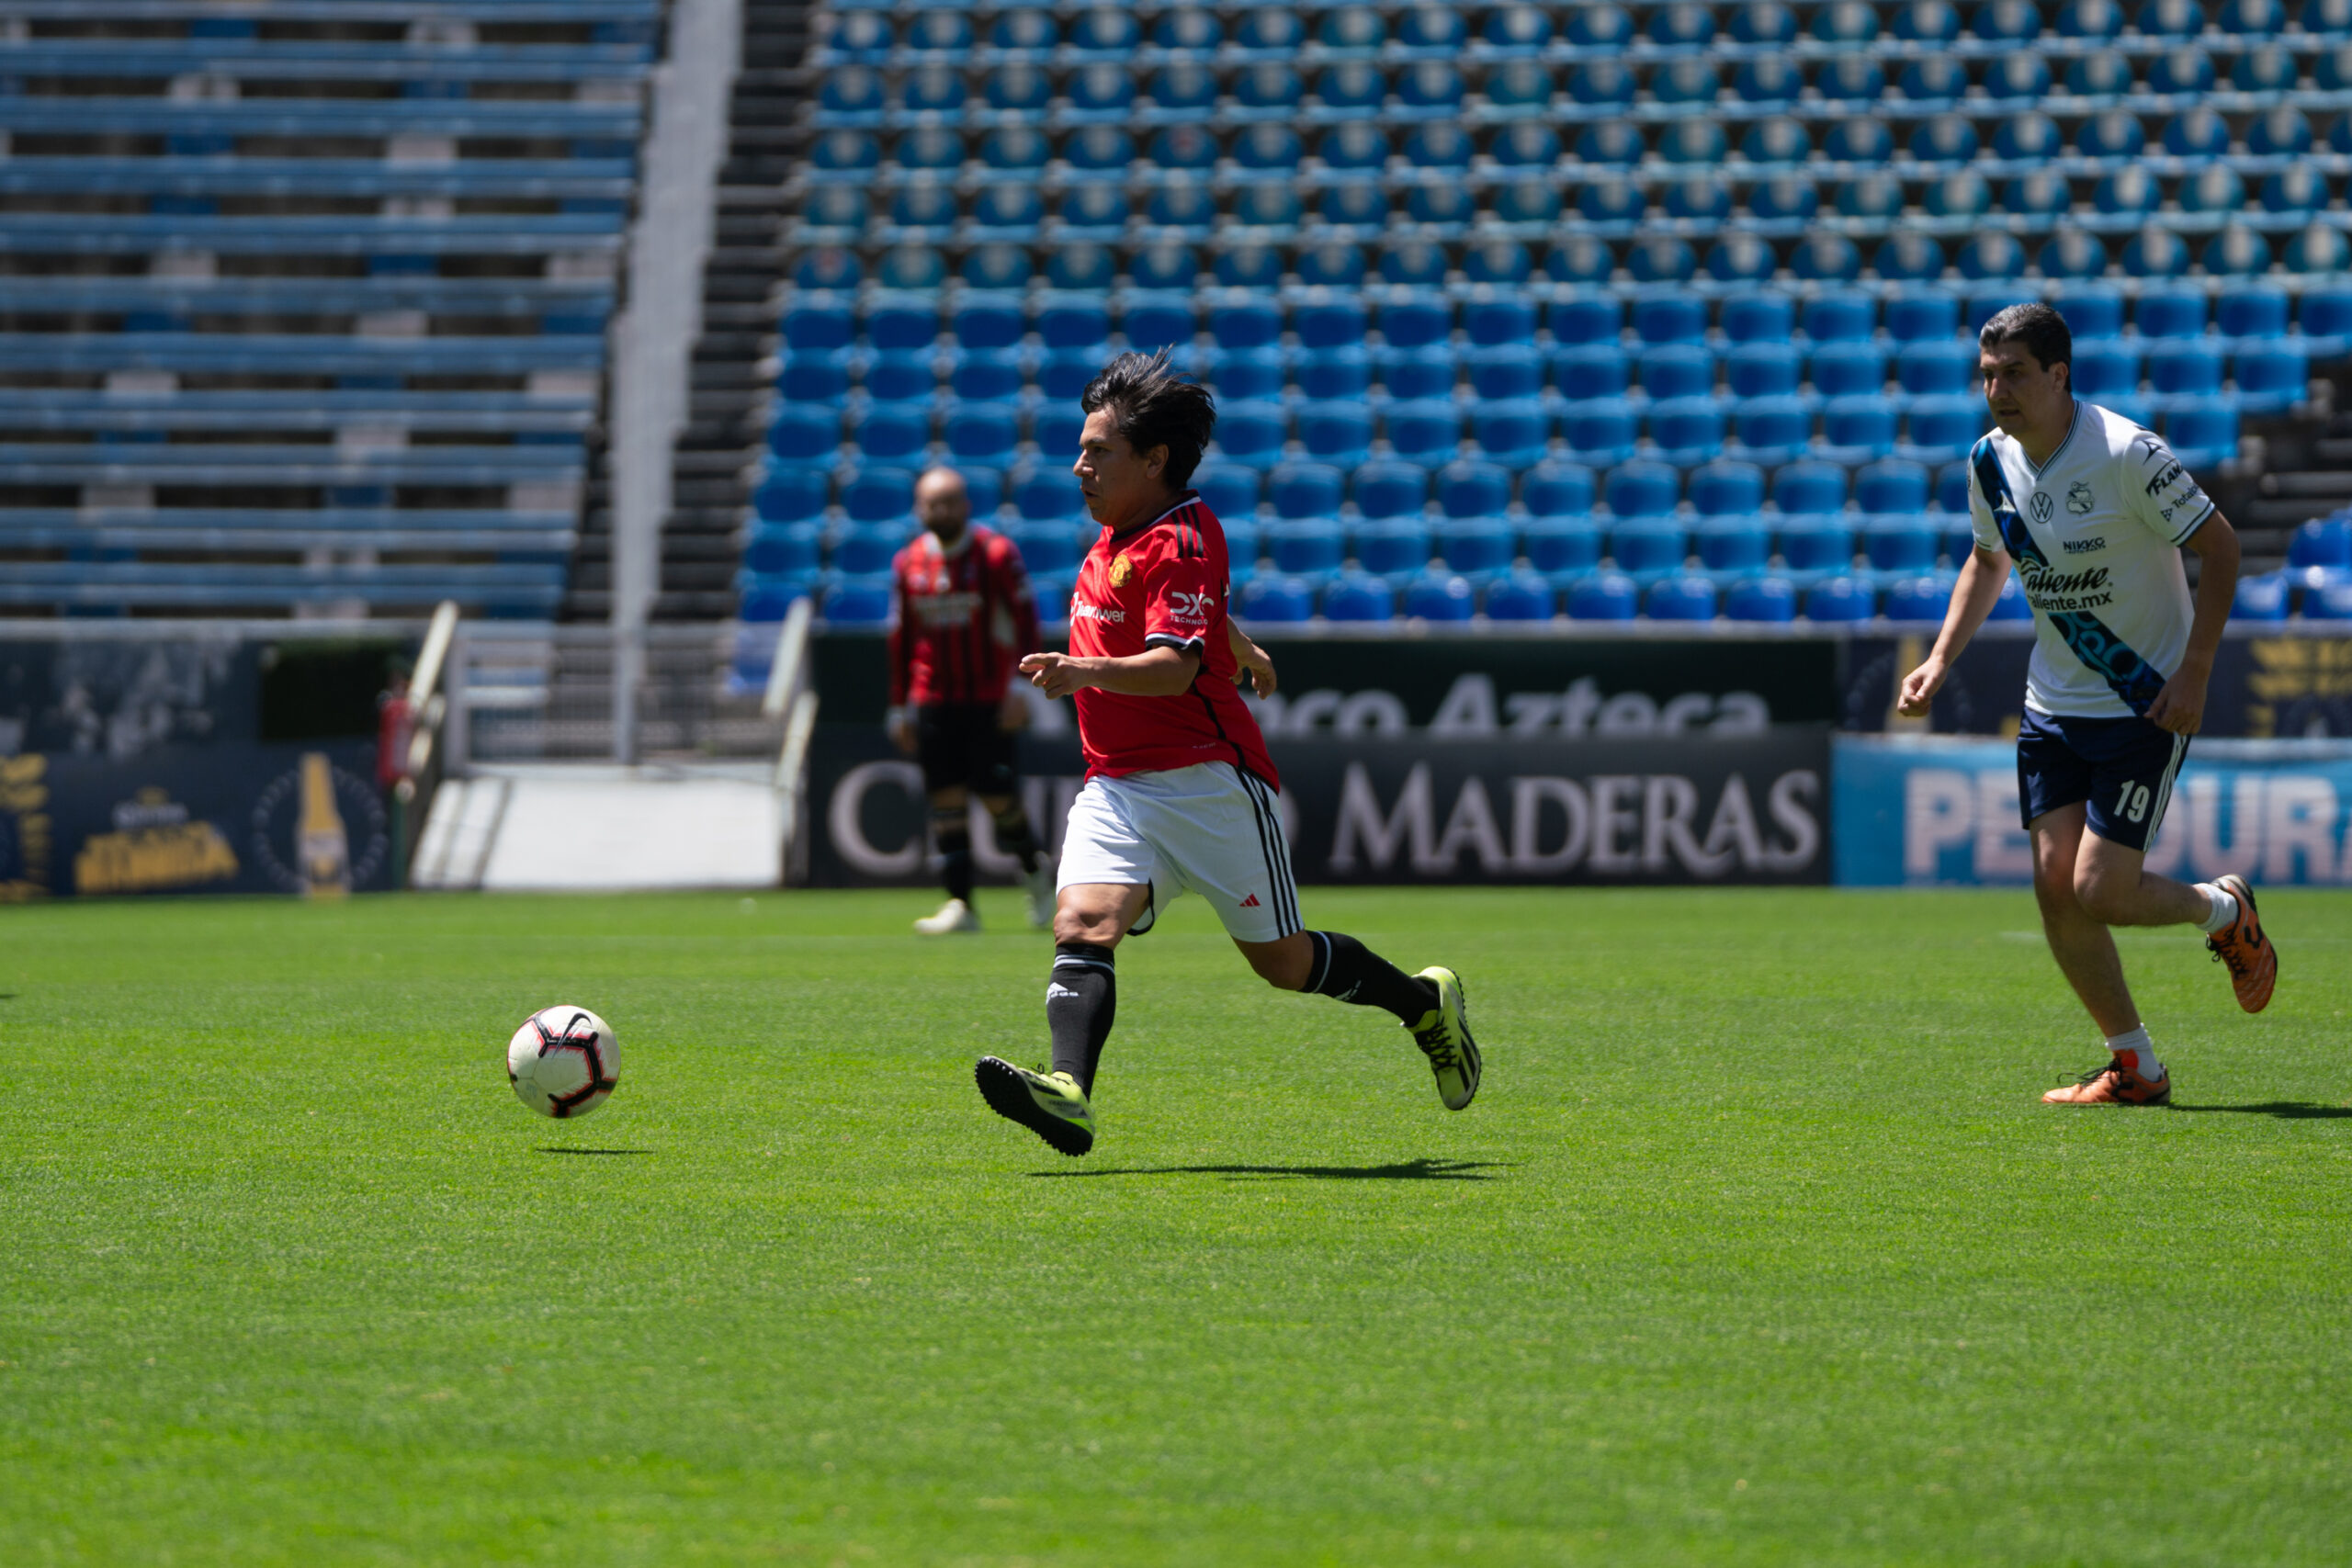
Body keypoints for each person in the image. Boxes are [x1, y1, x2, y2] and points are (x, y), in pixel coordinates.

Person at [971, 350, 1479, 1157]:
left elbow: (1173, 666)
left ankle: (1423, 1004)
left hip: (1209, 781)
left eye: (1098, 450)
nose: (1079, 465)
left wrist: (1084, 670)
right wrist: (1236, 640)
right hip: (1118, 783)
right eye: (1082, 449)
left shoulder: (1179, 535)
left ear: (1154, 460)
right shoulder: (1124, 532)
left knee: (1284, 963)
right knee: (1082, 922)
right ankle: (1068, 1091)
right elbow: (1186, 611)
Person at [1898, 302, 2276, 1107]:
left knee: (2101, 889)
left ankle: (2223, 909)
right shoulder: (1989, 461)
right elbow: (1987, 561)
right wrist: (1938, 657)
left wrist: (2197, 672)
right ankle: (2135, 1065)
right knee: (2053, 885)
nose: (1997, 390)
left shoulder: (2127, 452)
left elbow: (2221, 546)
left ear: (2058, 374)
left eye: (2015, 373)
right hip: (2051, 704)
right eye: (1987, 375)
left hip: (2144, 701)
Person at [886, 466, 1055, 933]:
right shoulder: (908, 563)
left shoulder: (996, 554)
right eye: (932, 503)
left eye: (949, 502)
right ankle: (961, 904)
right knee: (946, 799)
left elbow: (1025, 621)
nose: (940, 511)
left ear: (965, 505)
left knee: (999, 798)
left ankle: (1035, 870)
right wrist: (899, 706)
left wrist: (1020, 687)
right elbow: (901, 639)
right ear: (920, 509)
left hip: (987, 697)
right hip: (933, 699)